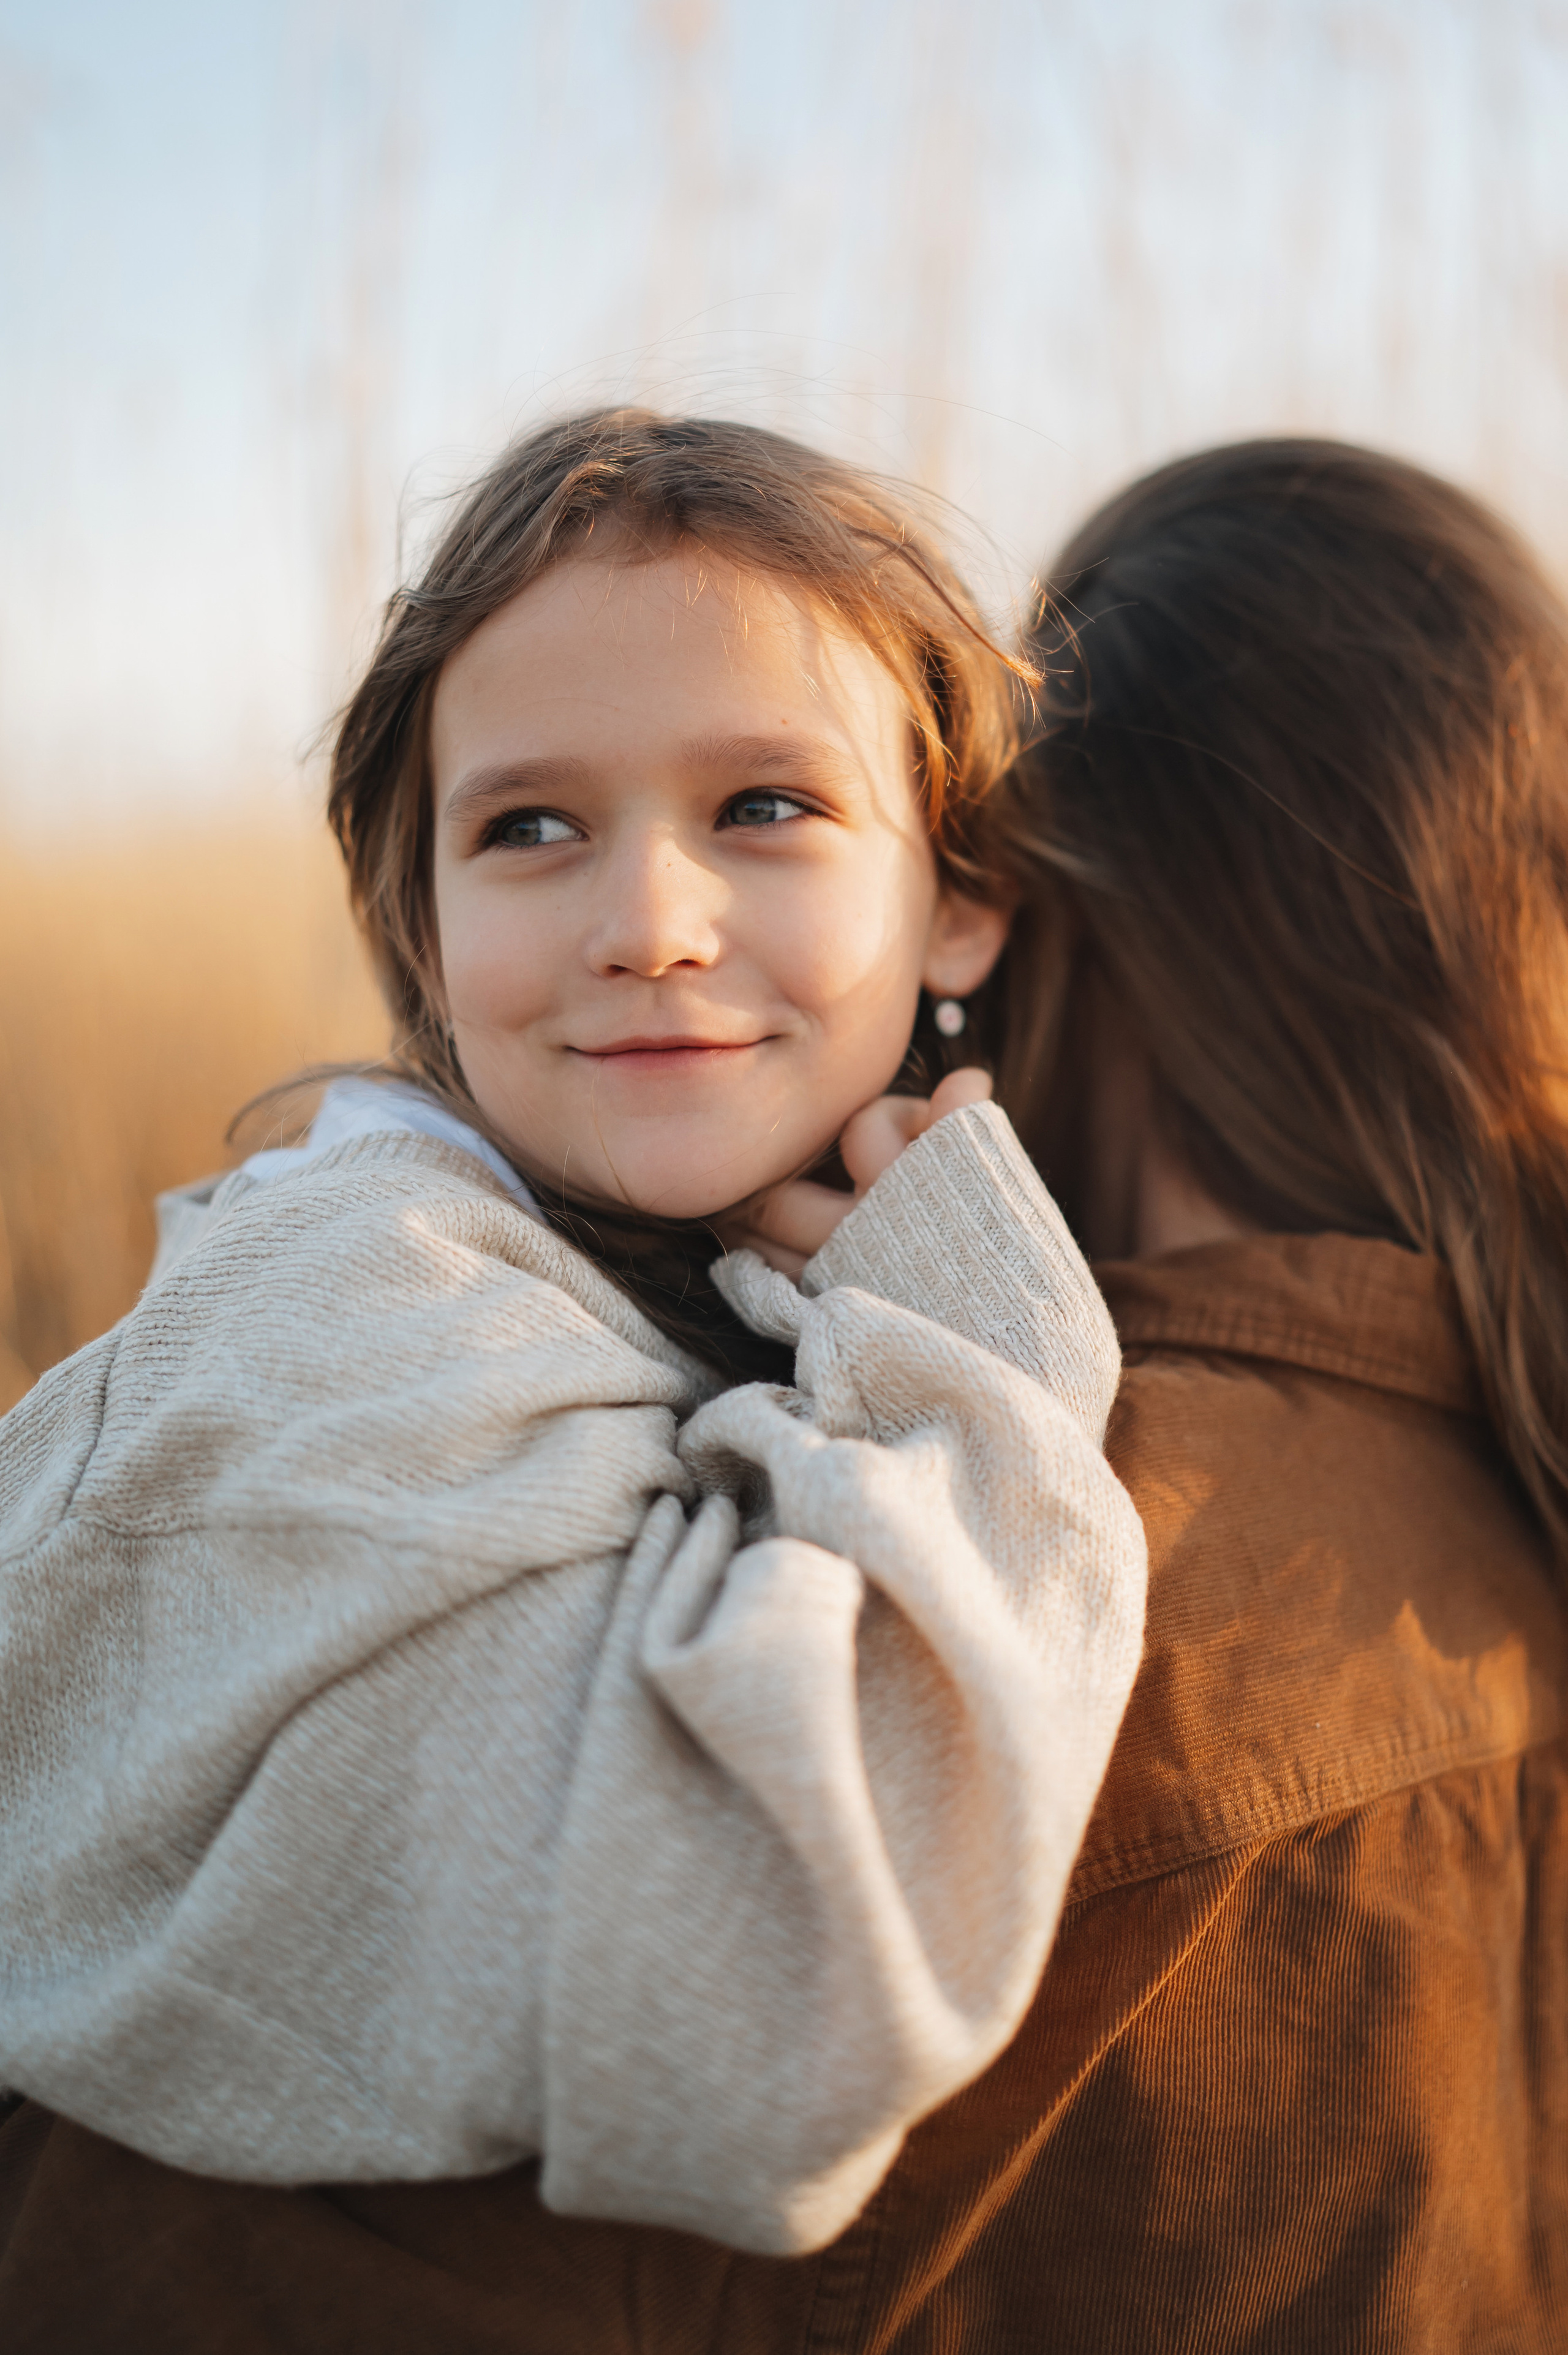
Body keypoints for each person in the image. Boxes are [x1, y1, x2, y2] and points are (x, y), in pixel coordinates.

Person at [0, 410, 1146, 2286]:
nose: (648, 925)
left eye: (765, 806)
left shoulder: (657, 1269)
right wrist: (978, 1339)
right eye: (530, 827)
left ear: (959, 896)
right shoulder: (351, 1311)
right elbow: (766, 2013)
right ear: (423, 931)